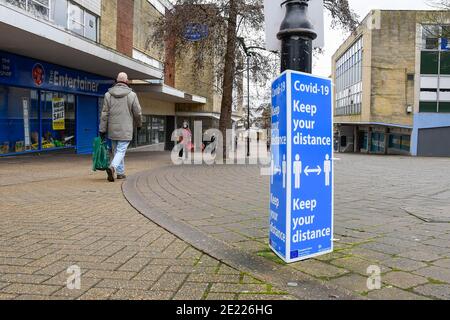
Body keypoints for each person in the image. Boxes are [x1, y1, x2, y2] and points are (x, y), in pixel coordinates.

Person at [99, 72, 142, 182]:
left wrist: (102, 129)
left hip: (112, 129)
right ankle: (113, 167)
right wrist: (139, 124)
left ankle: (121, 173)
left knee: (117, 151)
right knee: (121, 151)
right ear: (126, 82)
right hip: (126, 128)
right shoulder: (132, 95)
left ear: (116, 81)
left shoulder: (108, 95)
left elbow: (104, 114)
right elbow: (137, 113)